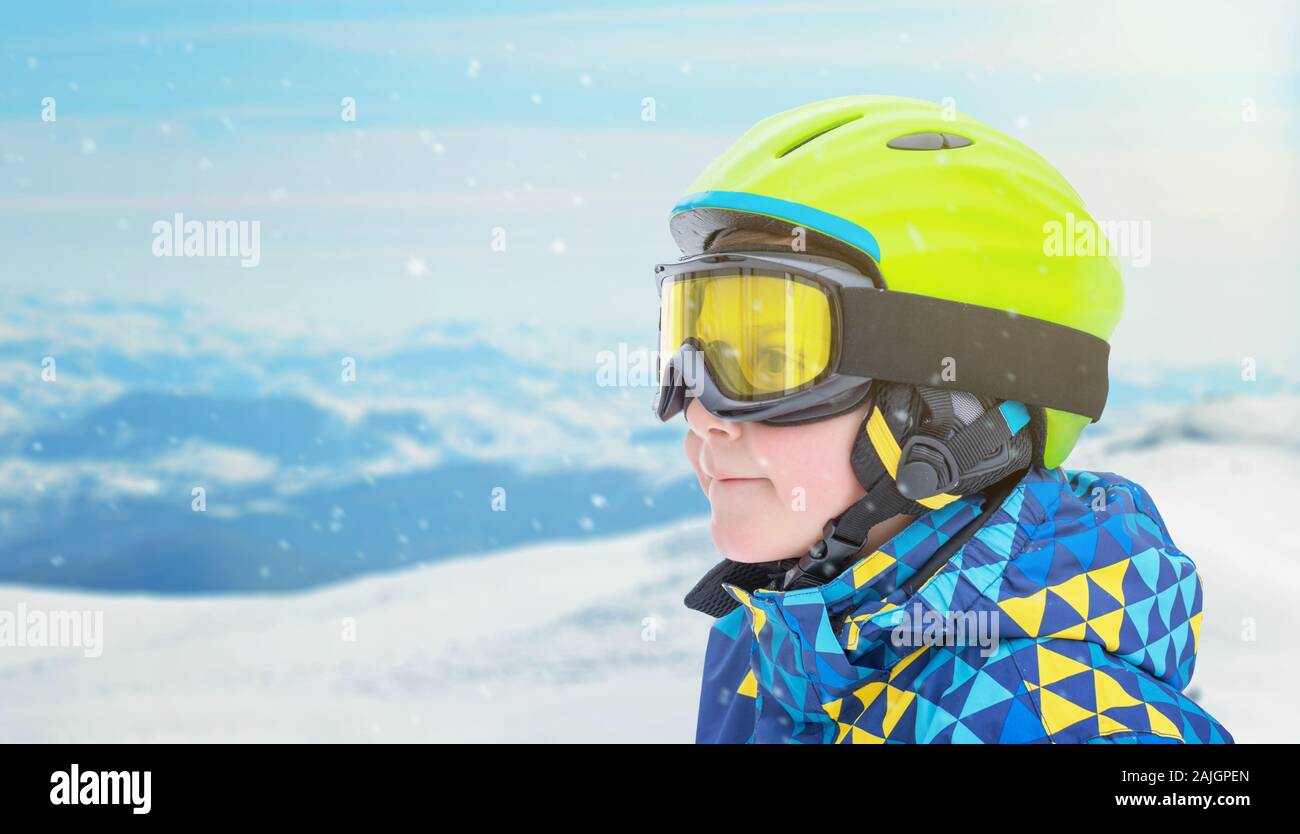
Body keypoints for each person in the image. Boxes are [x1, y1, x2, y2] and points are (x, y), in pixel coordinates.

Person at [653, 95, 1232, 744]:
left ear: (952, 413)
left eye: (775, 358)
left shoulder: (1044, 719)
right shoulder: (764, 639)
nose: (703, 413)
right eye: (698, 354)